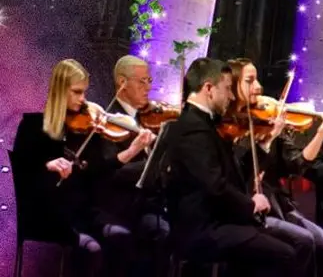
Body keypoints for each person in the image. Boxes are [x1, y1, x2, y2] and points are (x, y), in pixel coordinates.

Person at [12, 59, 150, 274]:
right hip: (46, 211)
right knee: (93, 248)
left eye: (84, 92)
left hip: (79, 209)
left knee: (123, 235)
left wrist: (131, 151)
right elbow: (23, 171)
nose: (83, 99)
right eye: (77, 92)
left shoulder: (84, 129)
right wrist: (47, 164)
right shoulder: (32, 126)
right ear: (60, 91)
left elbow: (96, 170)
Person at [163, 57, 295, 276]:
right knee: (285, 254)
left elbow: (228, 177)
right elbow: (215, 185)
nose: (232, 96)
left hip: (219, 221)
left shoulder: (206, 124)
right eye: (227, 89)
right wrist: (251, 204)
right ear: (208, 88)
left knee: (285, 246)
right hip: (202, 229)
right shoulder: (193, 128)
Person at [226, 58, 323, 277]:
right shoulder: (232, 127)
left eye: (257, 80)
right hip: (249, 208)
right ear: (233, 85)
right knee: (302, 242)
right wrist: (267, 140)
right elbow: (243, 173)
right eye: (249, 81)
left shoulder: (268, 122)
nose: (259, 87)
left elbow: (298, 164)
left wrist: (322, 132)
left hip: (277, 205)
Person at [89, 55, 169, 274]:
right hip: (116, 207)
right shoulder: (107, 119)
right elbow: (113, 172)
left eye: (149, 81)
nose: (147, 88)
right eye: (141, 81)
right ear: (122, 83)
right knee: (158, 232)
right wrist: (152, 164)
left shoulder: (149, 118)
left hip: (145, 206)